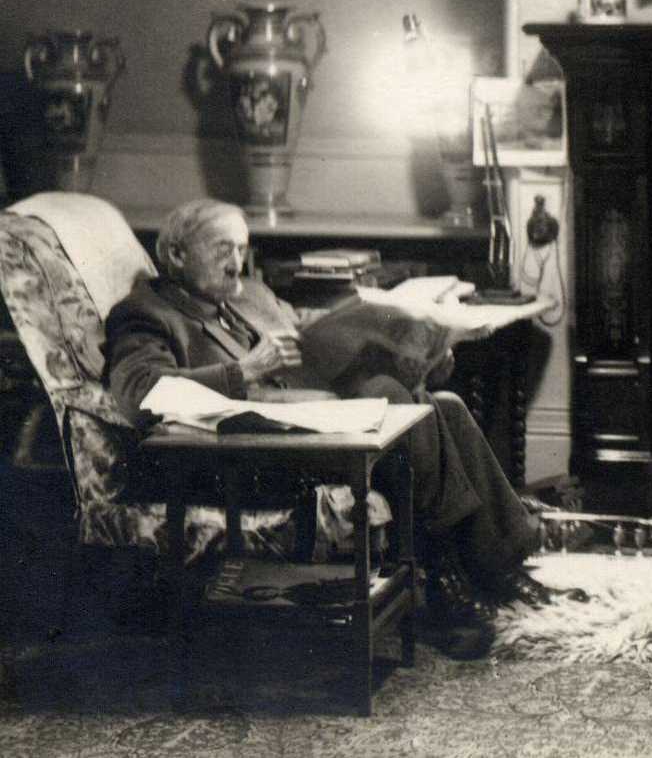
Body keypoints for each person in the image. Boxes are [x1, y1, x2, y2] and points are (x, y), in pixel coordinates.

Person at [103, 199, 575, 659]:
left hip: (310, 421)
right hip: (244, 451)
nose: (236, 263)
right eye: (221, 249)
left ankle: (502, 567)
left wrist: (426, 341)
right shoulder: (145, 313)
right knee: (398, 401)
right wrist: (244, 371)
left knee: (441, 404)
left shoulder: (250, 295)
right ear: (177, 254)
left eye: (242, 249)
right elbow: (140, 391)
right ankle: (446, 581)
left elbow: (318, 333)